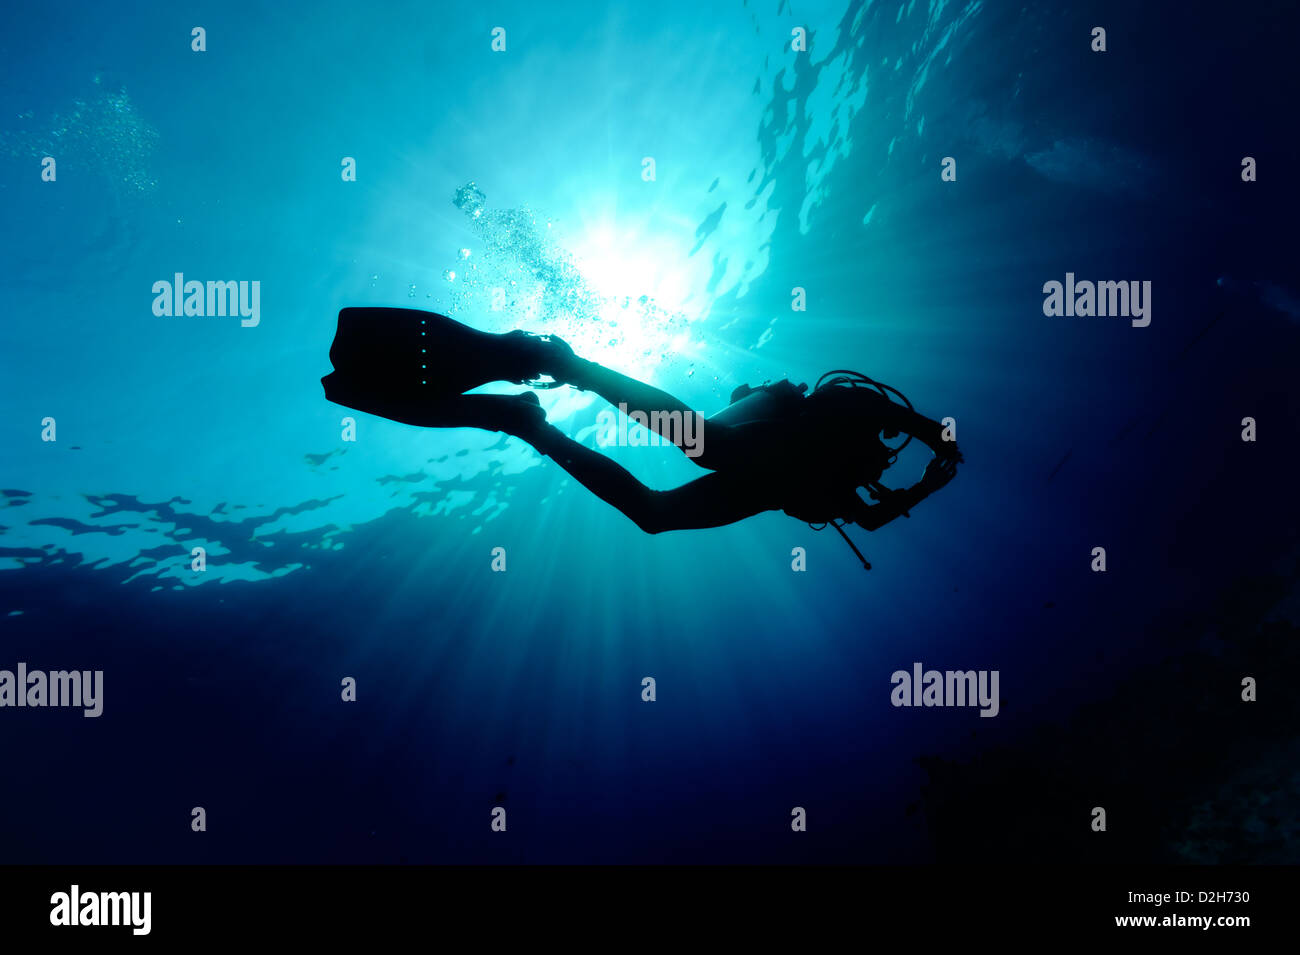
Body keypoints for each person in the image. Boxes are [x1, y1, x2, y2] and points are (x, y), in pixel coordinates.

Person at [321, 307, 960, 564]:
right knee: (707, 443)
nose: (883, 455)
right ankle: (572, 368)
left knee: (653, 516)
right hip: (770, 449)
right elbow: (915, 424)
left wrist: (918, 489)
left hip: (769, 486)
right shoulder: (853, 410)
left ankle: (528, 427)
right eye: (884, 448)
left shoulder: (850, 473)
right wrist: (942, 449)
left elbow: (872, 523)